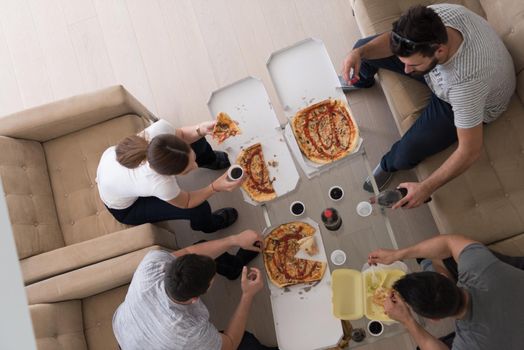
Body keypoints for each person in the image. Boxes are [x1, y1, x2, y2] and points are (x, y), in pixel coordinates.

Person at [340, 4, 516, 208]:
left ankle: (388, 165)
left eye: (412, 65)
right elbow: (394, 44)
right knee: (363, 48)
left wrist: (426, 187)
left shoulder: (466, 85)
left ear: (439, 50)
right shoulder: (434, 18)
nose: (406, 70)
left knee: (407, 152)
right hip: (444, 76)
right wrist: (358, 53)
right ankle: (360, 79)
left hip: (469, 102)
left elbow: (470, 151)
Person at [113, 229, 278, 350]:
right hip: (151, 342)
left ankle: (234, 267)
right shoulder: (189, 333)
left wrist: (235, 239)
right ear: (195, 299)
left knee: (202, 248)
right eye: (212, 279)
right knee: (247, 344)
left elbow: (188, 251)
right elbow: (230, 342)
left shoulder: (151, 263)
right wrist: (247, 295)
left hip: (126, 329)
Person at [367, 234, 524, 349]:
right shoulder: (479, 267)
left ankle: (427, 262)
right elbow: (448, 242)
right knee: (446, 256)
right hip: (509, 282)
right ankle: (427, 262)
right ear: (443, 277)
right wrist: (397, 254)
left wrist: (407, 320)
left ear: (435, 319)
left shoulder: (470, 342)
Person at [96, 118, 241, 233]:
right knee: (198, 209)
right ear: (168, 175)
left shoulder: (160, 129)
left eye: (193, 161)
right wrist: (215, 187)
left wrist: (200, 129)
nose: (195, 166)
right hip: (126, 208)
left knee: (197, 140)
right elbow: (187, 201)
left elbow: (183, 135)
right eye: (187, 170)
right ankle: (209, 226)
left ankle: (210, 160)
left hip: (116, 177)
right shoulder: (160, 184)